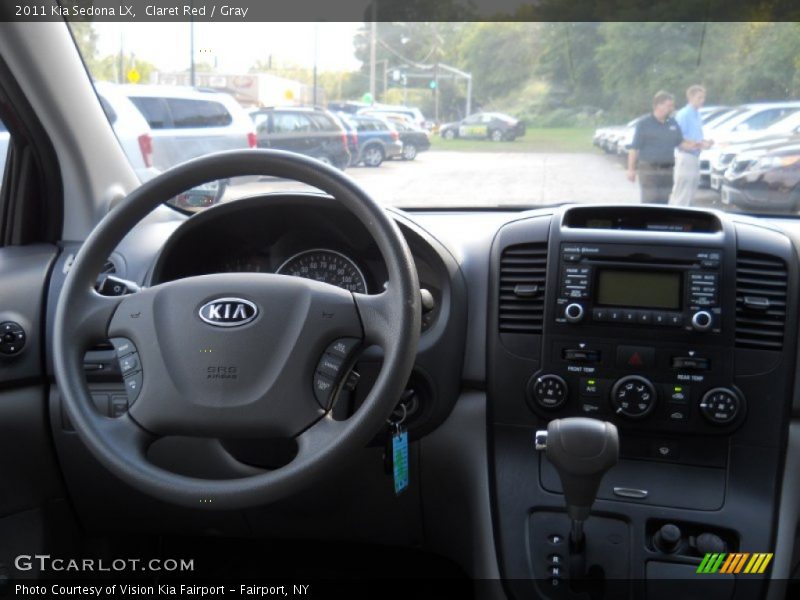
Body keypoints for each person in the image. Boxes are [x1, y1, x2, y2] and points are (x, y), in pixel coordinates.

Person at [627, 91, 699, 204]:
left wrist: (697, 145)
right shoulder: (644, 124)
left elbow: (680, 142)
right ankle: (648, 221)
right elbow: (634, 148)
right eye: (668, 106)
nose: (671, 108)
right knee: (650, 199)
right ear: (658, 105)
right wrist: (631, 169)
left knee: (664, 200)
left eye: (671, 106)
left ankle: (660, 222)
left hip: (667, 169)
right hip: (649, 169)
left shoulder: (672, 123)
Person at [670, 85, 714, 206]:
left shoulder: (697, 114)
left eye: (703, 98)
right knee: (682, 192)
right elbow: (678, 137)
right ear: (690, 97)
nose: (702, 100)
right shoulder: (684, 114)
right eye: (699, 98)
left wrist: (705, 143)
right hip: (686, 156)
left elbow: (696, 136)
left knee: (691, 190)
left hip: (695, 156)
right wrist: (693, 144)